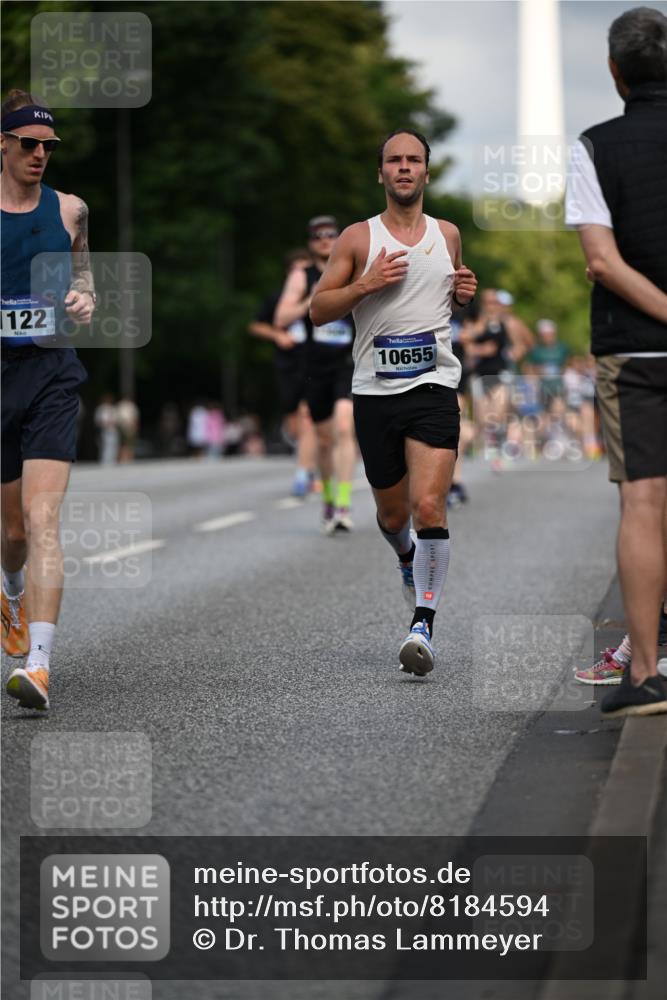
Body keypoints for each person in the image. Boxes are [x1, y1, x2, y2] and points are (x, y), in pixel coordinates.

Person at [310, 129, 477, 674]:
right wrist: (365, 284)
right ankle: (407, 558)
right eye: (394, 161)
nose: (404, 168)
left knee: (430, 506)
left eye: (414, 160)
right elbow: (318, 310)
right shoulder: (359, 239)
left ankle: (422, 625)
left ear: (427, 173)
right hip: (373, 390)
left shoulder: (447, 234)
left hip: (433, 385)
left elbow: (447, 302)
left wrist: (462, 294)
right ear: (379, 173)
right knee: (391, 513)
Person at [565, 6, 667, 717]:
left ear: (613, 71)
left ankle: (643, 676)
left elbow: (600, 260)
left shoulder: (593, 146)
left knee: (643, 501)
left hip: (633, 348)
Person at [1, 90, 94, 710]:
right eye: (29, 144)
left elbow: (83, 275)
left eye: (48, 147)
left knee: (42, 521)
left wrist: (85, 298)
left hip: (53, 374)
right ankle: (10, 592)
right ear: (2, 145)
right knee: (11, 533)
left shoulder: (70, 211)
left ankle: (39, 664)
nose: (40, 155)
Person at [276, 217, 357, 533]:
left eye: (330, 234)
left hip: (348, 363)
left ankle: (344, 505)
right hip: (314, 368)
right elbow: (281, 316)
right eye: (317, 236)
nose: (324, 240)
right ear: (310, 242)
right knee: (324, 440)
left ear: (338, 238)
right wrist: (312, 300)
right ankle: (327, 497)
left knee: (343, 426)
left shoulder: (352, 269)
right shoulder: (302, 275)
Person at [248, 249, 317, 497]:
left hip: (313, 362)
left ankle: (306, 469)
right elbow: (255, 325)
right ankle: (305, 457)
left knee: (308, 413)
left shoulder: (322, 297)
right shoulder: (278, 299)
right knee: (293, 419)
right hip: (288, 363)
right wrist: (277, 335)